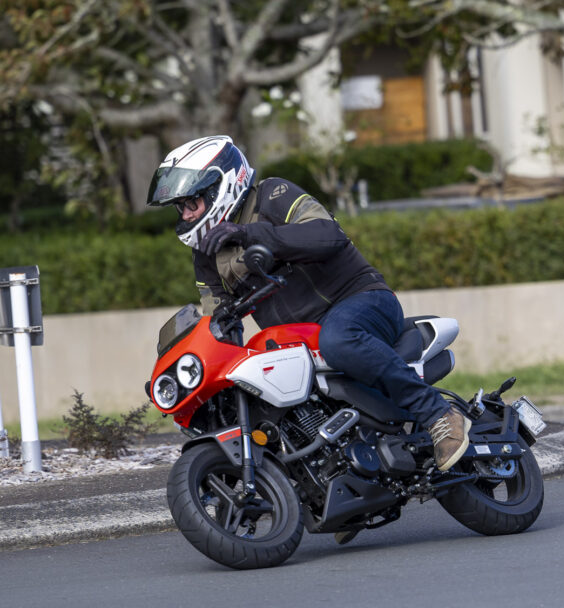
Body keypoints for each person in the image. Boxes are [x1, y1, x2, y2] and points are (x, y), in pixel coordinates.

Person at [147, 135, 470, 471]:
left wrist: (250, 235)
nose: (185, 215)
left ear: (220, 185)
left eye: (191, 203)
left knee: (338, 338)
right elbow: (218, 318)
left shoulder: (273, 196)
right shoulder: (206, 255)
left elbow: (327, 234)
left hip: (362, 301)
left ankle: (437, 412)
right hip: (297, 338)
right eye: (180, 208)